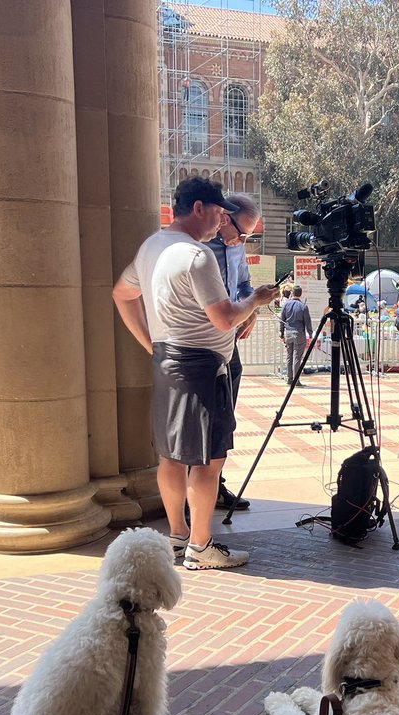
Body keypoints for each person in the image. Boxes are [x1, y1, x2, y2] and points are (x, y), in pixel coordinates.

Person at [112, 177, 276, 569]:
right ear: (199, 208)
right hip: (203, 368)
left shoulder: (152, 246)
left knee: (171, 456)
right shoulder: (196, 255)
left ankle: (178, 536)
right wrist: (255, 300)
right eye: (219, 214)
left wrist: (152, 343)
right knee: (208, 460)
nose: (221, 224)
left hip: (168, 360)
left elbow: (121, 293)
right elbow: (223, 320)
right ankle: (201, 547)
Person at [206, 192, 261, 511]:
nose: (243, 240)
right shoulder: (200, 248)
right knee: (204, 417)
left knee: (225, 417)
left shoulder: (236, 248)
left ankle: (214, 483)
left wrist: (251, 309)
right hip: (201, 341)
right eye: (243, 233)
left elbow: (244, 286)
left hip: (228, 341)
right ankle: (196, 487)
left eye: (249, 237)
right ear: (225, 218)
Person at [279, 285, 313, 382]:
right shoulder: (303, 306)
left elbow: (282, 320)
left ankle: (290, 379)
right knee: (297, 357)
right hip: (299, 334)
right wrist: (310, 335)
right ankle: (296, 380)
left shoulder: (286, 305)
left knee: (289, 356)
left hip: (289, 333)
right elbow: (308, 322)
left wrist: (281, 334)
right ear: (301, 294)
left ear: (292, 293)